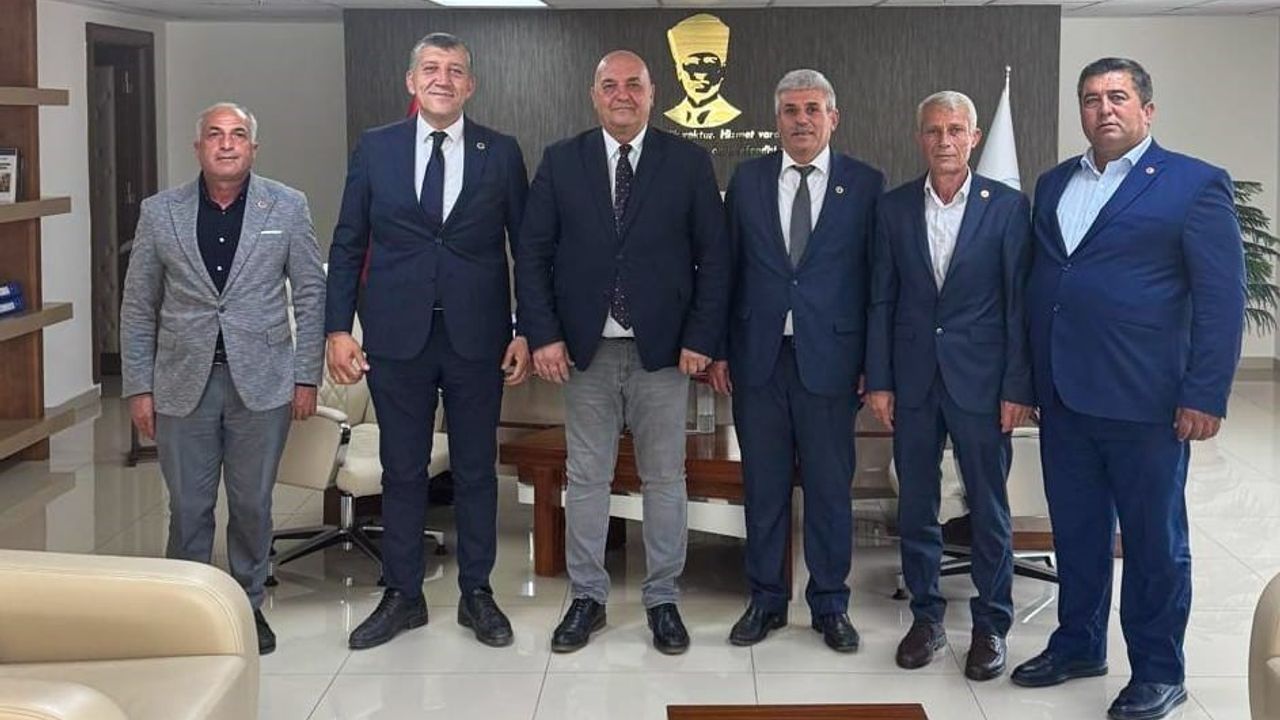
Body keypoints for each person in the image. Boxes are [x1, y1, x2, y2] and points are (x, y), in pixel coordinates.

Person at [1010, 58, 1245, 720]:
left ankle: (1159, 671)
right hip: (1064, 397)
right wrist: (1027, 380)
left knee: (1152, 544)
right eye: (1091, 99)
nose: (1104, 108)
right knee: (1077, 533)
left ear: (1147, 109)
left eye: (1117, 96)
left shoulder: (1194, 184)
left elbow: (1222, 298)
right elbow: (1042, 286)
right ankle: (1078, 644)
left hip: (1147, 402)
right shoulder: (1055, 182)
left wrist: (1205, 392)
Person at [516, 49, 730, 655]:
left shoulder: (687, 162)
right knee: (587, 476)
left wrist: (701, 339)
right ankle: (587, 597)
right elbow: (532, 255)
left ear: (652, 93)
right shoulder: (561, 161)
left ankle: (663, 599)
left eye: (633, 84)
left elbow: (715, 260)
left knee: (665, 477)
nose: (622, 95)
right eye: (609, 85)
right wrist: (544, 335)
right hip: (584, 352)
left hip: (663, 353)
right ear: (594, 95)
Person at [325, 32, 530, 651]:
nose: (444, 79)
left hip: (478, 337)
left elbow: (528, 249)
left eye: (456, 70)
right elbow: (348, 241)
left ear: (470, 85)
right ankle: (402, 595)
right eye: (432, 69)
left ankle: (477, 594)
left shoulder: (501, 151)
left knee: (475, 471)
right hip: (397, 336)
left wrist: (527, 329)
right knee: (403, 470)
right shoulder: (376, 148)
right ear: (412, 81)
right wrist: (338, 328)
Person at [120, 102, 326, 656]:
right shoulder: (159, 213)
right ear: (199, 148)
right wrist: (139, 386)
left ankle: (246, 605)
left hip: (262, 383)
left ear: (253, 148)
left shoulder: (287, 205)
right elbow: (138, 306)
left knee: (252, 504)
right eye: (215, 134)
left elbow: (311, 295)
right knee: (188, 507)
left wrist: (306, 376)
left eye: (238, 135)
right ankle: (189, 612)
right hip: (181, 384)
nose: (227, 143)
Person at [710, 68, 883, 654]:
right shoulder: (748, 179)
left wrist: (873, 362)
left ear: (833, 117)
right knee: (764, 489)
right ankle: (766, 600)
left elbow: (877, 282)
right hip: (758, 360)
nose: (802, 120)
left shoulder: (865, 184)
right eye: (791, 110)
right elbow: (727, 271)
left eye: (812, 109)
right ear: (777, 120)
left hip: (833, 362)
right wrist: (721, 350)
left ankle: (830, 605)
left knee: (830, 490)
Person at [865, 90, 1032, 679]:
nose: (944, 141)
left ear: (974, 138)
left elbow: (1018, 305)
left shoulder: (1007, 208)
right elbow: (882, 299)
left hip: (983, 383)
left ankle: (992, 624)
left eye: (955, 130)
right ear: (920, 138)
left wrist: (1018, 387)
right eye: (934, 130)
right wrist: (879, 380)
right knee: (917, 504)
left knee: (988, 506)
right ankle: (926, 617)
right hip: (913, 381)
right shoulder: (893, 208)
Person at [662, 13, 742, 129]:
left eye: (709, 66)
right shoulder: (668, 117)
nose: (701, 74)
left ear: (722, 71)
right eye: (692, 66)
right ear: (679, 71)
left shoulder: (735, 116)